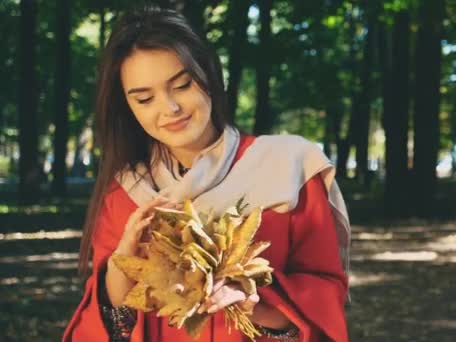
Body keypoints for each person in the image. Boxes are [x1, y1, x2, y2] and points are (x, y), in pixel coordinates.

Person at [63, 6, 350, 342]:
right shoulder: (126, 193)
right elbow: (107, 329)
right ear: (128, 108)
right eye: (144, 99)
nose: (169, 109)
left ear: (211, 75)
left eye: (182, 85)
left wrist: (254, 304)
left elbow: (326, 294)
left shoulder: (288, 168)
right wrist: (122, 263)